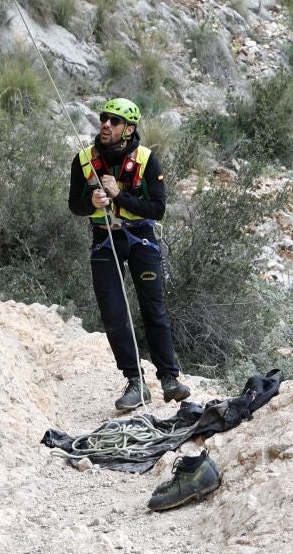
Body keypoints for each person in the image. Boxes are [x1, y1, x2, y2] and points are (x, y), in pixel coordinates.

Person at [68, 97, 191, 411]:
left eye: (114, 121)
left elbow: (158, 209)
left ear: (129, 128)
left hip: (140, 240)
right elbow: (74, 205)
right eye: (104, 118)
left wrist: (120, 195)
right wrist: (92, 203)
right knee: (113, 312)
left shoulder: (147, 160)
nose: (106, 125)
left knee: (154, 307)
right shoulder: (84, 160)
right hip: (104, 240)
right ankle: (135, 382)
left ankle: (169, 378)